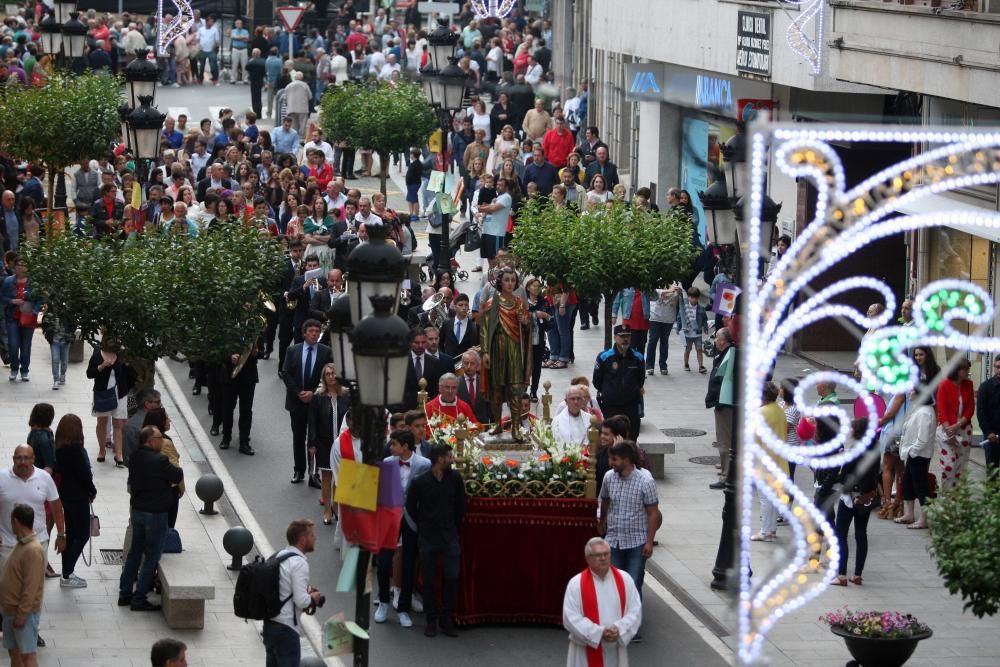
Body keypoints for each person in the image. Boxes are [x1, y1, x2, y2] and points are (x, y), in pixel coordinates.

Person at [405, 443, 466, 638]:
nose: (451, 459)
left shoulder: (455, 479)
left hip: (449, 535)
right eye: (448, 456)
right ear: (440, 459)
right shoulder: (420, 482)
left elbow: (461, 504)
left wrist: (453, 524)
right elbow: (411, 506)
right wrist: (423, 525)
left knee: (452, 576)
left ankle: (445, 618)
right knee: (429, 580)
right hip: (428, 536)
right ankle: (431, 620)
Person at [119, 426, 182, 611]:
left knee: (135, 552)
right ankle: (139, 598)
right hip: (155, 515)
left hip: (138, 511)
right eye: (159, 438)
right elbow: (177, 475)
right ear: (150, 440)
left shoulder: (136, 457)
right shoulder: (160, 460)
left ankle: (125, 593)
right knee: (152, 556)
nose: (162, 441)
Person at [375, 429, 430, 628]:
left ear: (405, 446)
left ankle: (403, 609)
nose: (391, 448)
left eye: (394, 444)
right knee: (383, 563)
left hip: (411, 519)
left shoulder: (424, 465)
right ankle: (383, 602)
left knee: (408, 564)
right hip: (389, 519)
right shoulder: (388, 463)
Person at [599, 440, 658, 621]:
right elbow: (605, 502)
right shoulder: (609, 477)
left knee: (633, 583)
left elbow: (653, 513)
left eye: (614, 459)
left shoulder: (645, 481)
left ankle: (632, 625)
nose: (611, 463)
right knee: (613, 584)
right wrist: (602, 523)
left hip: (636, 542)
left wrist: (649, 541)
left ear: (626, 460)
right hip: (614, 539)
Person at [562, 536, 642, 667]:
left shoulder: (625, 579)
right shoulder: (576, 583)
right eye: (598, 555)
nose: (603, 558)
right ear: (588, 558)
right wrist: (598, 633)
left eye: (606, 554)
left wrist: (620, 629)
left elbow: (635, 610)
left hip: (615, 648)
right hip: (585, 651)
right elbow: (570, 617)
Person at [480, 267, 531, 441]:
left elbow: (527, 327)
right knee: (497, 389)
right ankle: (497, 424)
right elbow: (485, 329)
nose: (510, 283)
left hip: (515, 348)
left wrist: (525, 323)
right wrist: (485, 352)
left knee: (515, 388)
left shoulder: (520, 303)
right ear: (500, 281)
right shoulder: (491, 303)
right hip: (498, 348)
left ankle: (516, 426)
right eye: (507, 280)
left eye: (513, 280)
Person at [264, 519, 323, 666]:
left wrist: (305, 591)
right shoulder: (299, 563)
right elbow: (301, 601)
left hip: (270, 626)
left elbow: (284, 587)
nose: (315, 538)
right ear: (302, 540)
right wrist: (314, 598)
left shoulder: (279, 555)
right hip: (286, 629)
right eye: (312, 536)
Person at [282, 319, 333, 483]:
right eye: (311, 331)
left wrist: (313, 393)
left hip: (317, 402)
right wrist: (298, 393)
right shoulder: (293, 350)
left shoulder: (325, 352)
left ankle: (314, 473)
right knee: (298, 437)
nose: (314, 334)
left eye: (317, 332)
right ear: (304, 333)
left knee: (315, 439)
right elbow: (286, 373)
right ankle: (299, 471)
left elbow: (328, 376)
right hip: (296, 402)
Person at [831, 418, 879, 586]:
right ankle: (857, 574)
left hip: (851, 495)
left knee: (841, 534)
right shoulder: (874, 449)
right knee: (861, 534)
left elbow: (845, 474)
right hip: (866, 497)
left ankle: (842, 574)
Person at [53, 414, 96, 589]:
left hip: (65, 496)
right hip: (79, 497)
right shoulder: (77, 451)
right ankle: (67, 572)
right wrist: (92, 490)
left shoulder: (59, 450)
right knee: (82, 534)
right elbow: (84, 475)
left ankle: (67, 572)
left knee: (71, 535)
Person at [0, 504, 45, 667]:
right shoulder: (21, 544)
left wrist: (22, 613)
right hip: (11, 610)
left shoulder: (32, 550)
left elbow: (31, 586)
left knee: (28, 655)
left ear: (16, 522)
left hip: (23, 613)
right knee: (14, 652)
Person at [307, 363, 350, 524]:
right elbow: (312, 422)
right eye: (328, 374)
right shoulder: (318, 396)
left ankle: (336, 506)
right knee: (326, 477)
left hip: (341, 444)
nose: (331, 376)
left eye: (333, 373)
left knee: (339, 477)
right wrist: (312, 444)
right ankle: (327, 509)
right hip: (324, 443)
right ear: (324, 377)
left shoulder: (346, 395)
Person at [86, 340, 136, 466]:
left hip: (120, 393)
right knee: (102, 421)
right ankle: (102, 450)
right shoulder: (98, 354)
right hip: (103, 393)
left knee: (118, 423)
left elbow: (129, 373)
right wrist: (101, 366)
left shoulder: (122, 355)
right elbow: (89, 374)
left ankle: (119, 454)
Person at [751, 382, 789, 542]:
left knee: (765, 498)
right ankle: (771, 530)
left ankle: (766, 531)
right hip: (779, 460)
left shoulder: (762, 412)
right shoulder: (779, 410)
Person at [593, 325, 645, 442]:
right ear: (615, 337)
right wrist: (609, 392)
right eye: (622, 336)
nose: (625, 339)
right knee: (611, 437)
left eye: (627, 336)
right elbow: (597, 380)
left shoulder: (638, 357)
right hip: (611, 406)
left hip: (631, 405)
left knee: (631, 437)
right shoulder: (604, 357)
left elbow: (641, 379)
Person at [896, 388, 936, 529]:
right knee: (907, 483)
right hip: (912, 454)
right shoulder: (918, 409)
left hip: (919, 454)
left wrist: (912, 451)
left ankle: (923, 519)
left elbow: (923, 438)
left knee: (921, 486)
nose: (909, 393)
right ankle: (909, 514)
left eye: (912, 391)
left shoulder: (925, 412)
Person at [936, 357, 975, 492]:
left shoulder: (968, 384)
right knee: (948, 465)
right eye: (966, 369)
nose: (968, 372)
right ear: (958, 370)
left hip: (964, 428)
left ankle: (958, 497)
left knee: (962, 464)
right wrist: (949, 430)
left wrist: (959, 424)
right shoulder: (944, 385)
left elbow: (970, 408)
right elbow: (942, 410)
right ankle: (947, 496)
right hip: (946, 429)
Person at [2, 257, 41, 382]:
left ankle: (24, 370)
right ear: (15, 267)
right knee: (13, 345)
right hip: (12, 317)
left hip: (28, 317)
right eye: (18, 264)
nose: (20, 267)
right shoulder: (8, 281)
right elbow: (2, 297)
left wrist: (34, 312)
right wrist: (12, 301)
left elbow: (40, 300)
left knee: (25, 346)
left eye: (23, 265)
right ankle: (14, 369)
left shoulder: (34, 282)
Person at [646, 285, 680, 376]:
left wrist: (673, 292)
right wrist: (669, 291)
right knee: (653, 340)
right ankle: (649, 366)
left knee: (664, 342)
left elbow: (675, 300)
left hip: (668, 319)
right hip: (655, 318)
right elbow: (656, 293)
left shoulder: (675, 285)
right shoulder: (657, 283)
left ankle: (663, 366)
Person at [977, 355, 1000, 473]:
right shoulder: (985, 387)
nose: (999, 370)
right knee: (992, 472)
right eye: (998, 367)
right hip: (991, 436)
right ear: (994, 367)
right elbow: (981, 412)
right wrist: (989, 432)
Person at [678, 286, 708, 373]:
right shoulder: (684, 308)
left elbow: (704, 319)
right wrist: (679, 328)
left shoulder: (701, 308)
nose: (693, 299)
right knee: (688, 349)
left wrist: (705, 327)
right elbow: (679, 318)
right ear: (688, 297)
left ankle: (701, 366)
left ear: (698, 298)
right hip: (687, 332)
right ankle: (686, 363)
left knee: (699, 349)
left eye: (695, 297)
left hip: (697, 332)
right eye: (691, 297)